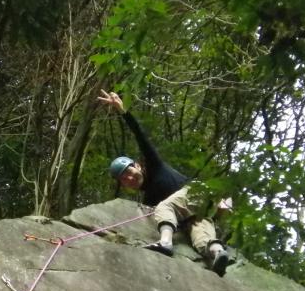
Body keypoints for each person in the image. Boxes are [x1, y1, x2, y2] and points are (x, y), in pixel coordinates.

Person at [98, 89, 230, 276]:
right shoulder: (148, 198)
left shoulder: (155, 166)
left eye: (128, 172)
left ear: (138, 165)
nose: (129, 178)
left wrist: (122, 110)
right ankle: (218, 253)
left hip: (195, 193)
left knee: (164, 207)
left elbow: (140, 136)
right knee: (201, 240)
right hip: (194, 216)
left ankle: (165, 243)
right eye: (124, 179)